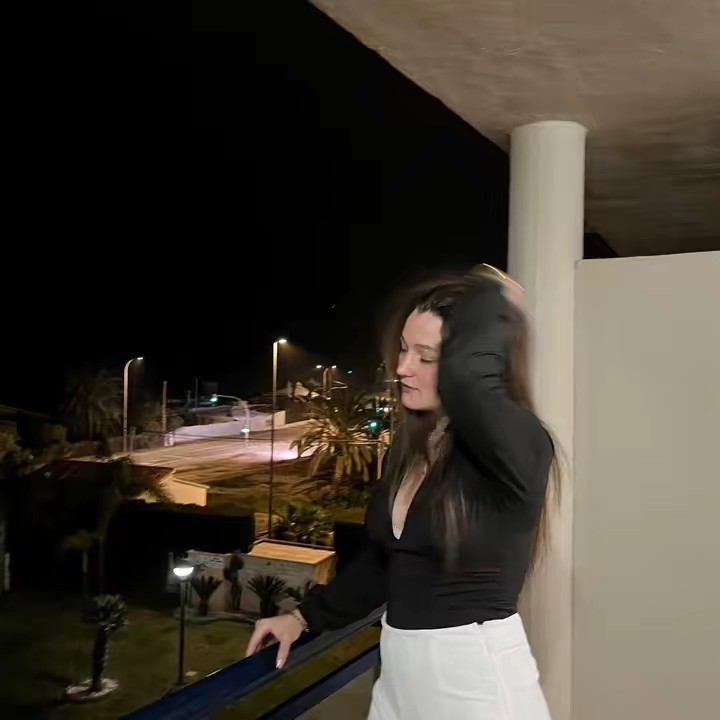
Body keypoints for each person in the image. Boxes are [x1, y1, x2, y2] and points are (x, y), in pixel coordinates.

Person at [246, 265, 559, 719]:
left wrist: (491, 297)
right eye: (403, 349)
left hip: (475, 682)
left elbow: (470, 379)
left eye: (426, 357)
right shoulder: (412, 445)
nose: (401, 368)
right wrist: (303, 618)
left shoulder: (522, 446)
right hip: (398, 676)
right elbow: (385, 562)